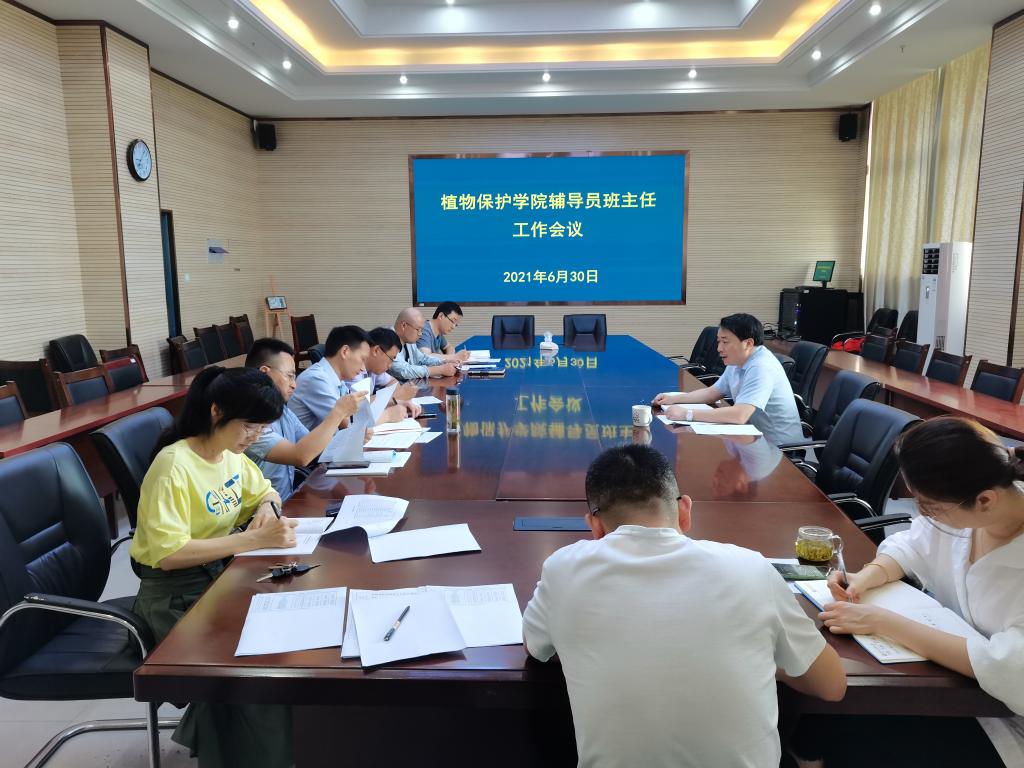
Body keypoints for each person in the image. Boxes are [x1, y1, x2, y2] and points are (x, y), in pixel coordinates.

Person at [522, 444, 846, 768]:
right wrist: (766, 656)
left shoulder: (562, 569)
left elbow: (535, 646)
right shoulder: (751, 569)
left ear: (595, 526)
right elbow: (832, 686)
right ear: (685, 511)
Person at [793, 416, 1024, 768]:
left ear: (985, 500)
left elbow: (1010, 669)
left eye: (930, 506)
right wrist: (867, 576)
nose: (923, 514)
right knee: (820, 713)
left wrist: (883, 622)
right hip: (956, 688)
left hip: (1005, 717)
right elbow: (912, 545)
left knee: (849, 737)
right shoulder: (971, 511)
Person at [130, 366, 299, 767]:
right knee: (250, 672)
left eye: (261, 428)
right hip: (174, 595)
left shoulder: (229, 456)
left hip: (216, 579)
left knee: (284, 645)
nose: (254, 437)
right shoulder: (174, 465)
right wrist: (254, 540)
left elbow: (265, 490)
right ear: (216, 411)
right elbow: (170, 554)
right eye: (249, 426)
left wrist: (267, 506)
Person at [244, 337, 367, 499]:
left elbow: (315, 448)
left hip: (287, 500)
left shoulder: (283, 411)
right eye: (289, 376)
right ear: (264, 373)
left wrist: (354, 437)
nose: (294, 384)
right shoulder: (249, 420)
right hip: (263, 508)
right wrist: (338, 413)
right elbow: (301, 456)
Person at [653, 313, 803, 445]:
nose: (719, 348)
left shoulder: (761, 367)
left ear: (748, 343)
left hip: (779, 447)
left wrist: (687, 414)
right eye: (719, 341)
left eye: (725, 342)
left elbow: (740, 415)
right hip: (752, 435)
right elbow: (712, 393)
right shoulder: (739, 359)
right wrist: (674, 399)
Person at [288, 324, 371, 430]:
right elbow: (349, 426)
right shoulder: (316, 379)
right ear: (345, 351)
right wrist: (387, 415)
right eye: (362, 359)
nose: (363, 368)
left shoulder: (337, 379)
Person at [346, 326, 423, 421]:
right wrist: (393, 397)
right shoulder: (354, 370)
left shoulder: (374, 368)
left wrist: (394, 400)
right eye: (391, 359)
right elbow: (357, 410)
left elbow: (393, 382)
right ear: (376, 350)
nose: (390, 366)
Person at [389, 307, 459, 381]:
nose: (420, 334)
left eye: (421, 330)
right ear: (404, 325)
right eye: (418, 329)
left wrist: (443, 362)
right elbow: (404, 371)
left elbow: (422, 358)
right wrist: (439, 370)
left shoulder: (408, 340)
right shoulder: (388, 340)